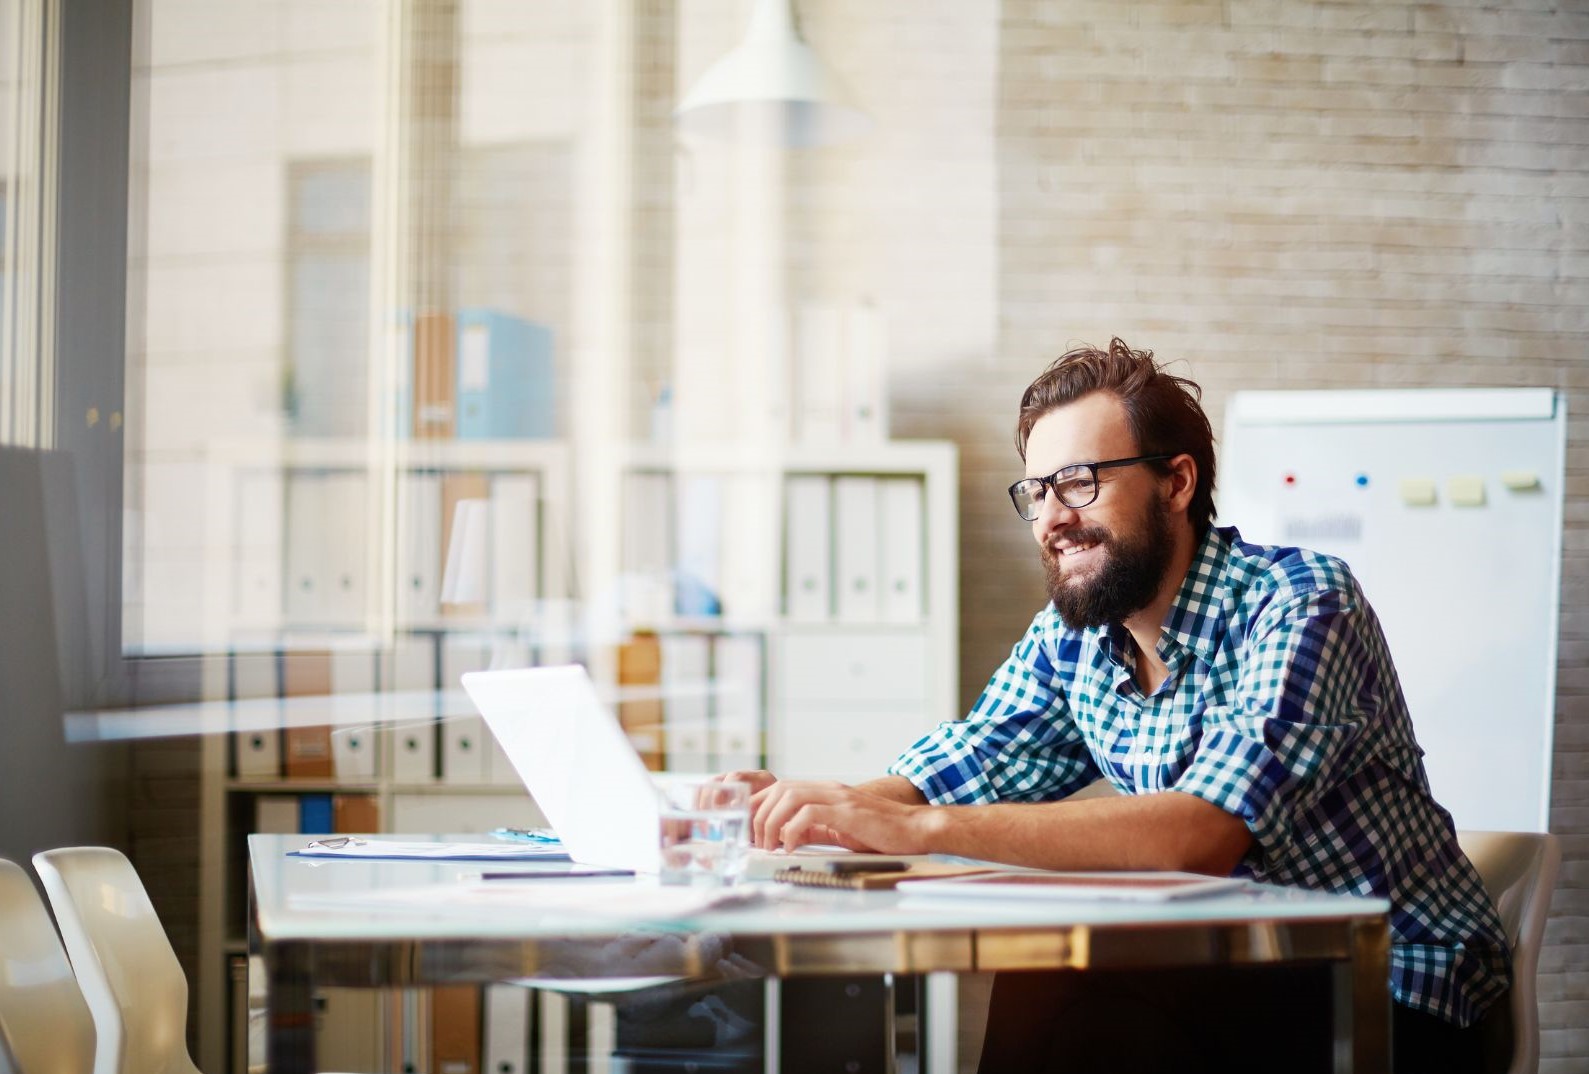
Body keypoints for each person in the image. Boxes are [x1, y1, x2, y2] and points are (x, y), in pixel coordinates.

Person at [726, 338, 1511, 1074]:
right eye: (1035, 492)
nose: (1050, 519)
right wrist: (818, 810)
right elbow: (965, 763)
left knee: (1073, 990)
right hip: (1228, 967)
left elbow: (1200, 833)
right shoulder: (1076, 637)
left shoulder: (1300, 602)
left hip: (1396, 989)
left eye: (1078, 483)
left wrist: (909, 829)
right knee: (1072, 994)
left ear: (1176, 482)